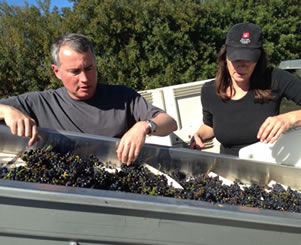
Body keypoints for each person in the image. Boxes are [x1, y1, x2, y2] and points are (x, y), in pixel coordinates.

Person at [0, 33, 177, 165]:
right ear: (57, 72)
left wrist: (144, 126)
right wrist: (7, 111)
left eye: (89, 68)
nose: (85, 78)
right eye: (75, 71)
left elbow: (169, 122)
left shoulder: (122, 97)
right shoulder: (39, 103)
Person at [192, 22, 301, 156]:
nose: (242, 65)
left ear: (259, 58)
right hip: (228, 169)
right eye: (236, 58)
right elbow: (210, 126)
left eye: (249, 59)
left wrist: (290, 119)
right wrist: (199, 135)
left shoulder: (275, 78)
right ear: (225, 56)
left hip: (267, 167)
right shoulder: (209, 91)